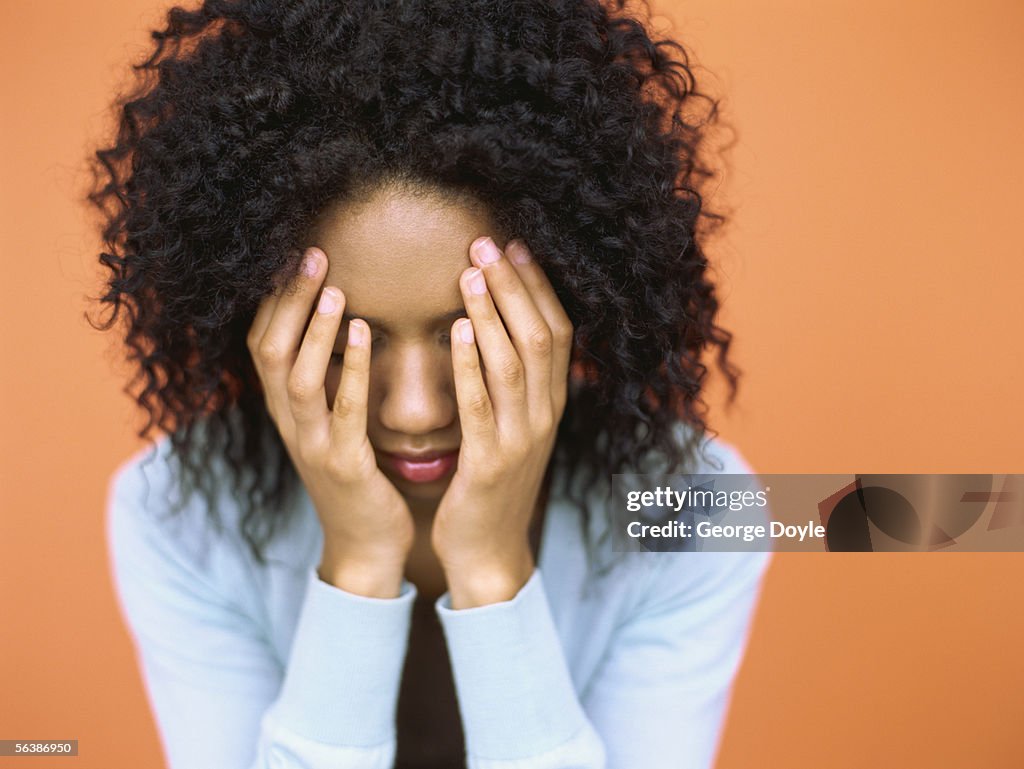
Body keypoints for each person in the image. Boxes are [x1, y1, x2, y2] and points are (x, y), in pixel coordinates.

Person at [91, 1, 773, 767]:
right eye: (348, 342)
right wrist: (355, 566)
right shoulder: (179, 515)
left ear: (572, 301)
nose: (414, 411)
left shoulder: (701, 511)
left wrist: (492, 572)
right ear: (259, 322)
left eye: (468, 333)